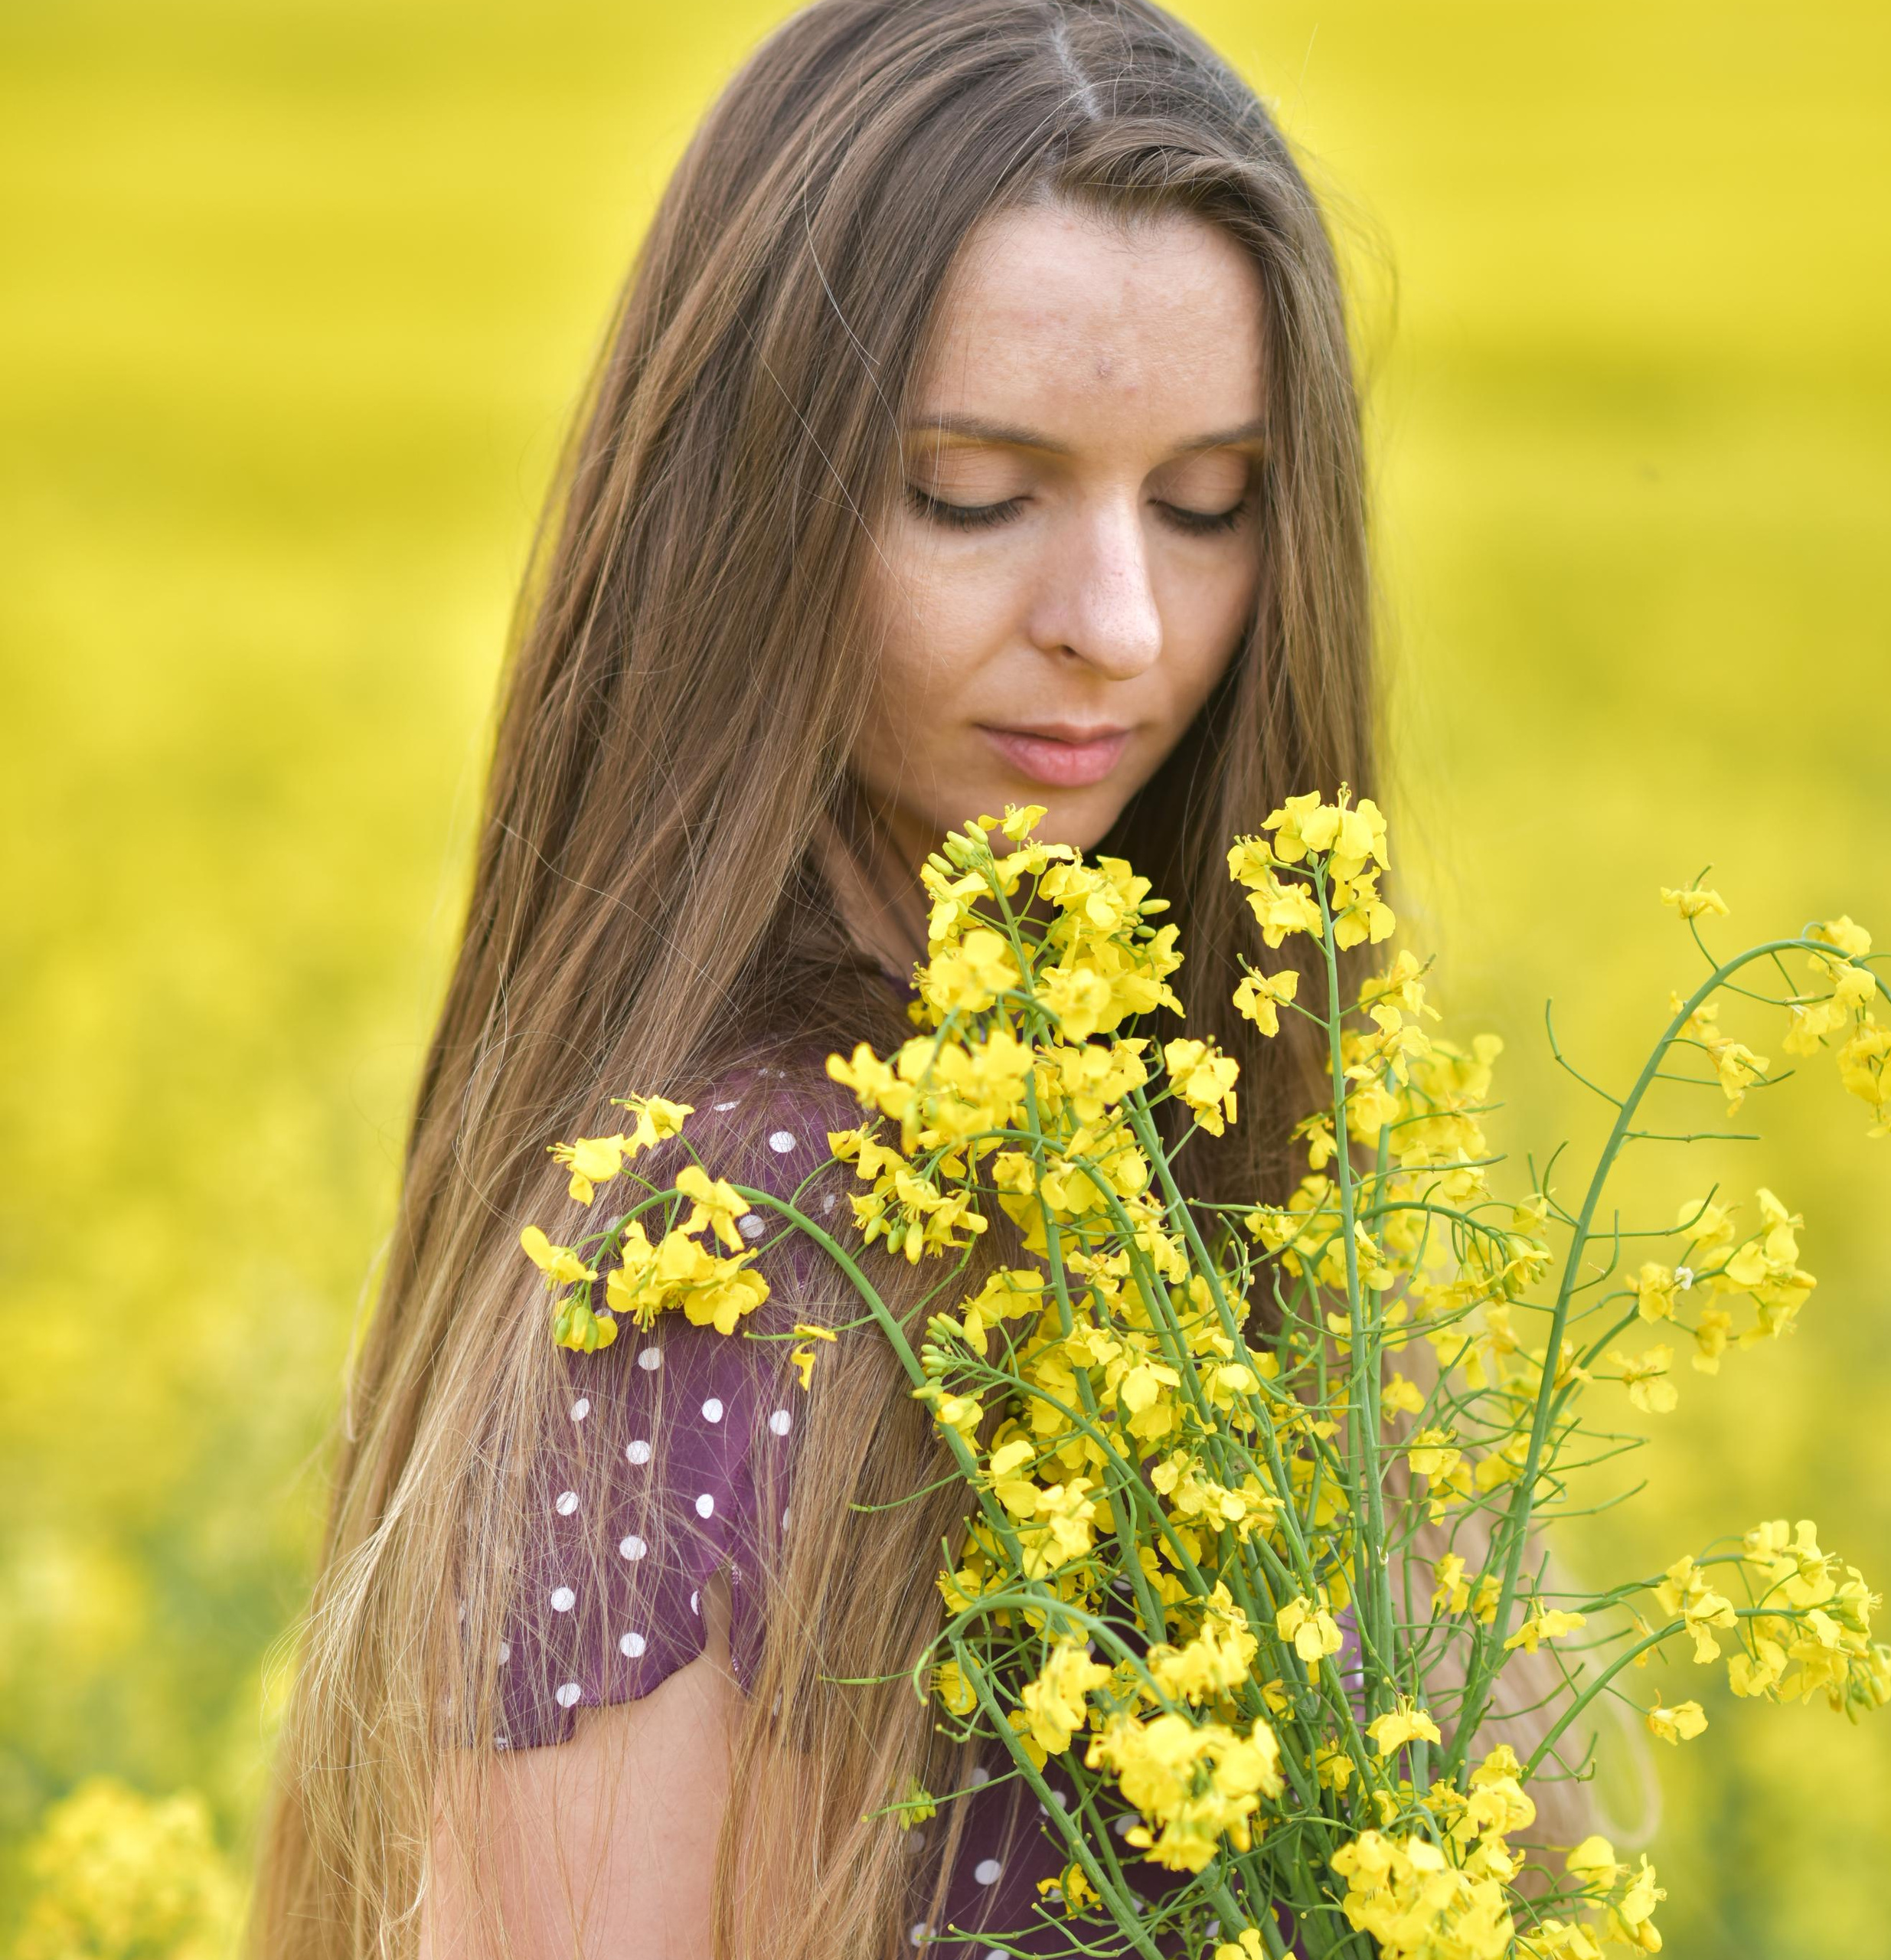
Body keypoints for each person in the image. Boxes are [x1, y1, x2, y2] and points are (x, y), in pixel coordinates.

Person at [250, 2, 1386, 1954]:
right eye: (970, 491)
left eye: (1207, 504)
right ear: (744, 520)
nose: (1116, 628)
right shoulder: (721, 1260)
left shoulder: (1213, 1134)